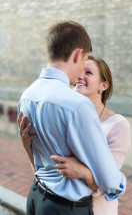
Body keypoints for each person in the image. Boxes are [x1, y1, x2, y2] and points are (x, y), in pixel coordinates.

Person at [18, 21, 126, 215]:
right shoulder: (77, 105)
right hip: (64, 207)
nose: (81, 72)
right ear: (77, 54)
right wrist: (120, 184)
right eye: (84, 60)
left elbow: (40, 162)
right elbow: (110, 181)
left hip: (36, 197)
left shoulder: (27, 95)